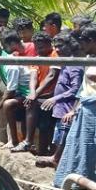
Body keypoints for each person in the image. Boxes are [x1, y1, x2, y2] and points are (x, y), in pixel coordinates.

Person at [53, 24, 96, 187]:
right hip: (84, 107)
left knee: (89, 147)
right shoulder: (89, 59)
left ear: (92, 41)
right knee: (74, 143)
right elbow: (83, 88)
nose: (81, 47)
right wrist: (74, 110)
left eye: (83, 42)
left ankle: (87, 184)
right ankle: (71, 181)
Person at [36, 32, 82, 168]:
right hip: (60, 109)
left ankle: (58, 164)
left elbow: (76, 89)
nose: (57, 50)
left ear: (70, 45)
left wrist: (55, 98)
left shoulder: (74, 65)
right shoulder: (65, 63)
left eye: (61, 46)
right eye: (55, 47)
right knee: (58, 138)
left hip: (67, 110)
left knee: (63, 138)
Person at [13, 32, 59, 155]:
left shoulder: (54, 54)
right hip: (40, 95)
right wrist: (32, 92)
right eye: (37, 48)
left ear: (49, 44)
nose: (40, 50)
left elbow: (51, 76)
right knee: (29, 102)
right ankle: (28, 142)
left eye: (42, 47)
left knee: (38, 109)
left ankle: (33, 145)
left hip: (53, 94)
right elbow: (33, 77)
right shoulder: (37, 57)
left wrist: (36, 94)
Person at [0, 31, 33, 148]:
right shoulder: (4, 63)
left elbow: (10, 90)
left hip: (28, 93)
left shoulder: (10, 65)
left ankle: (14, 140)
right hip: (22, 93)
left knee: (8, 104)